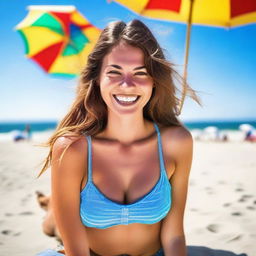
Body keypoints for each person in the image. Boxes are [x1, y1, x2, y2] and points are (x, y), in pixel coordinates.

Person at [36, 19, 201, 256]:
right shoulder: (72, 148)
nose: (127, 84)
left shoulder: (177, 142)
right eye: (114, 72)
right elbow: (76, 247)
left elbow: (174, 233)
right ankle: (50, 212)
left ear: (154, 81)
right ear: (97, 79)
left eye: (140, 73)